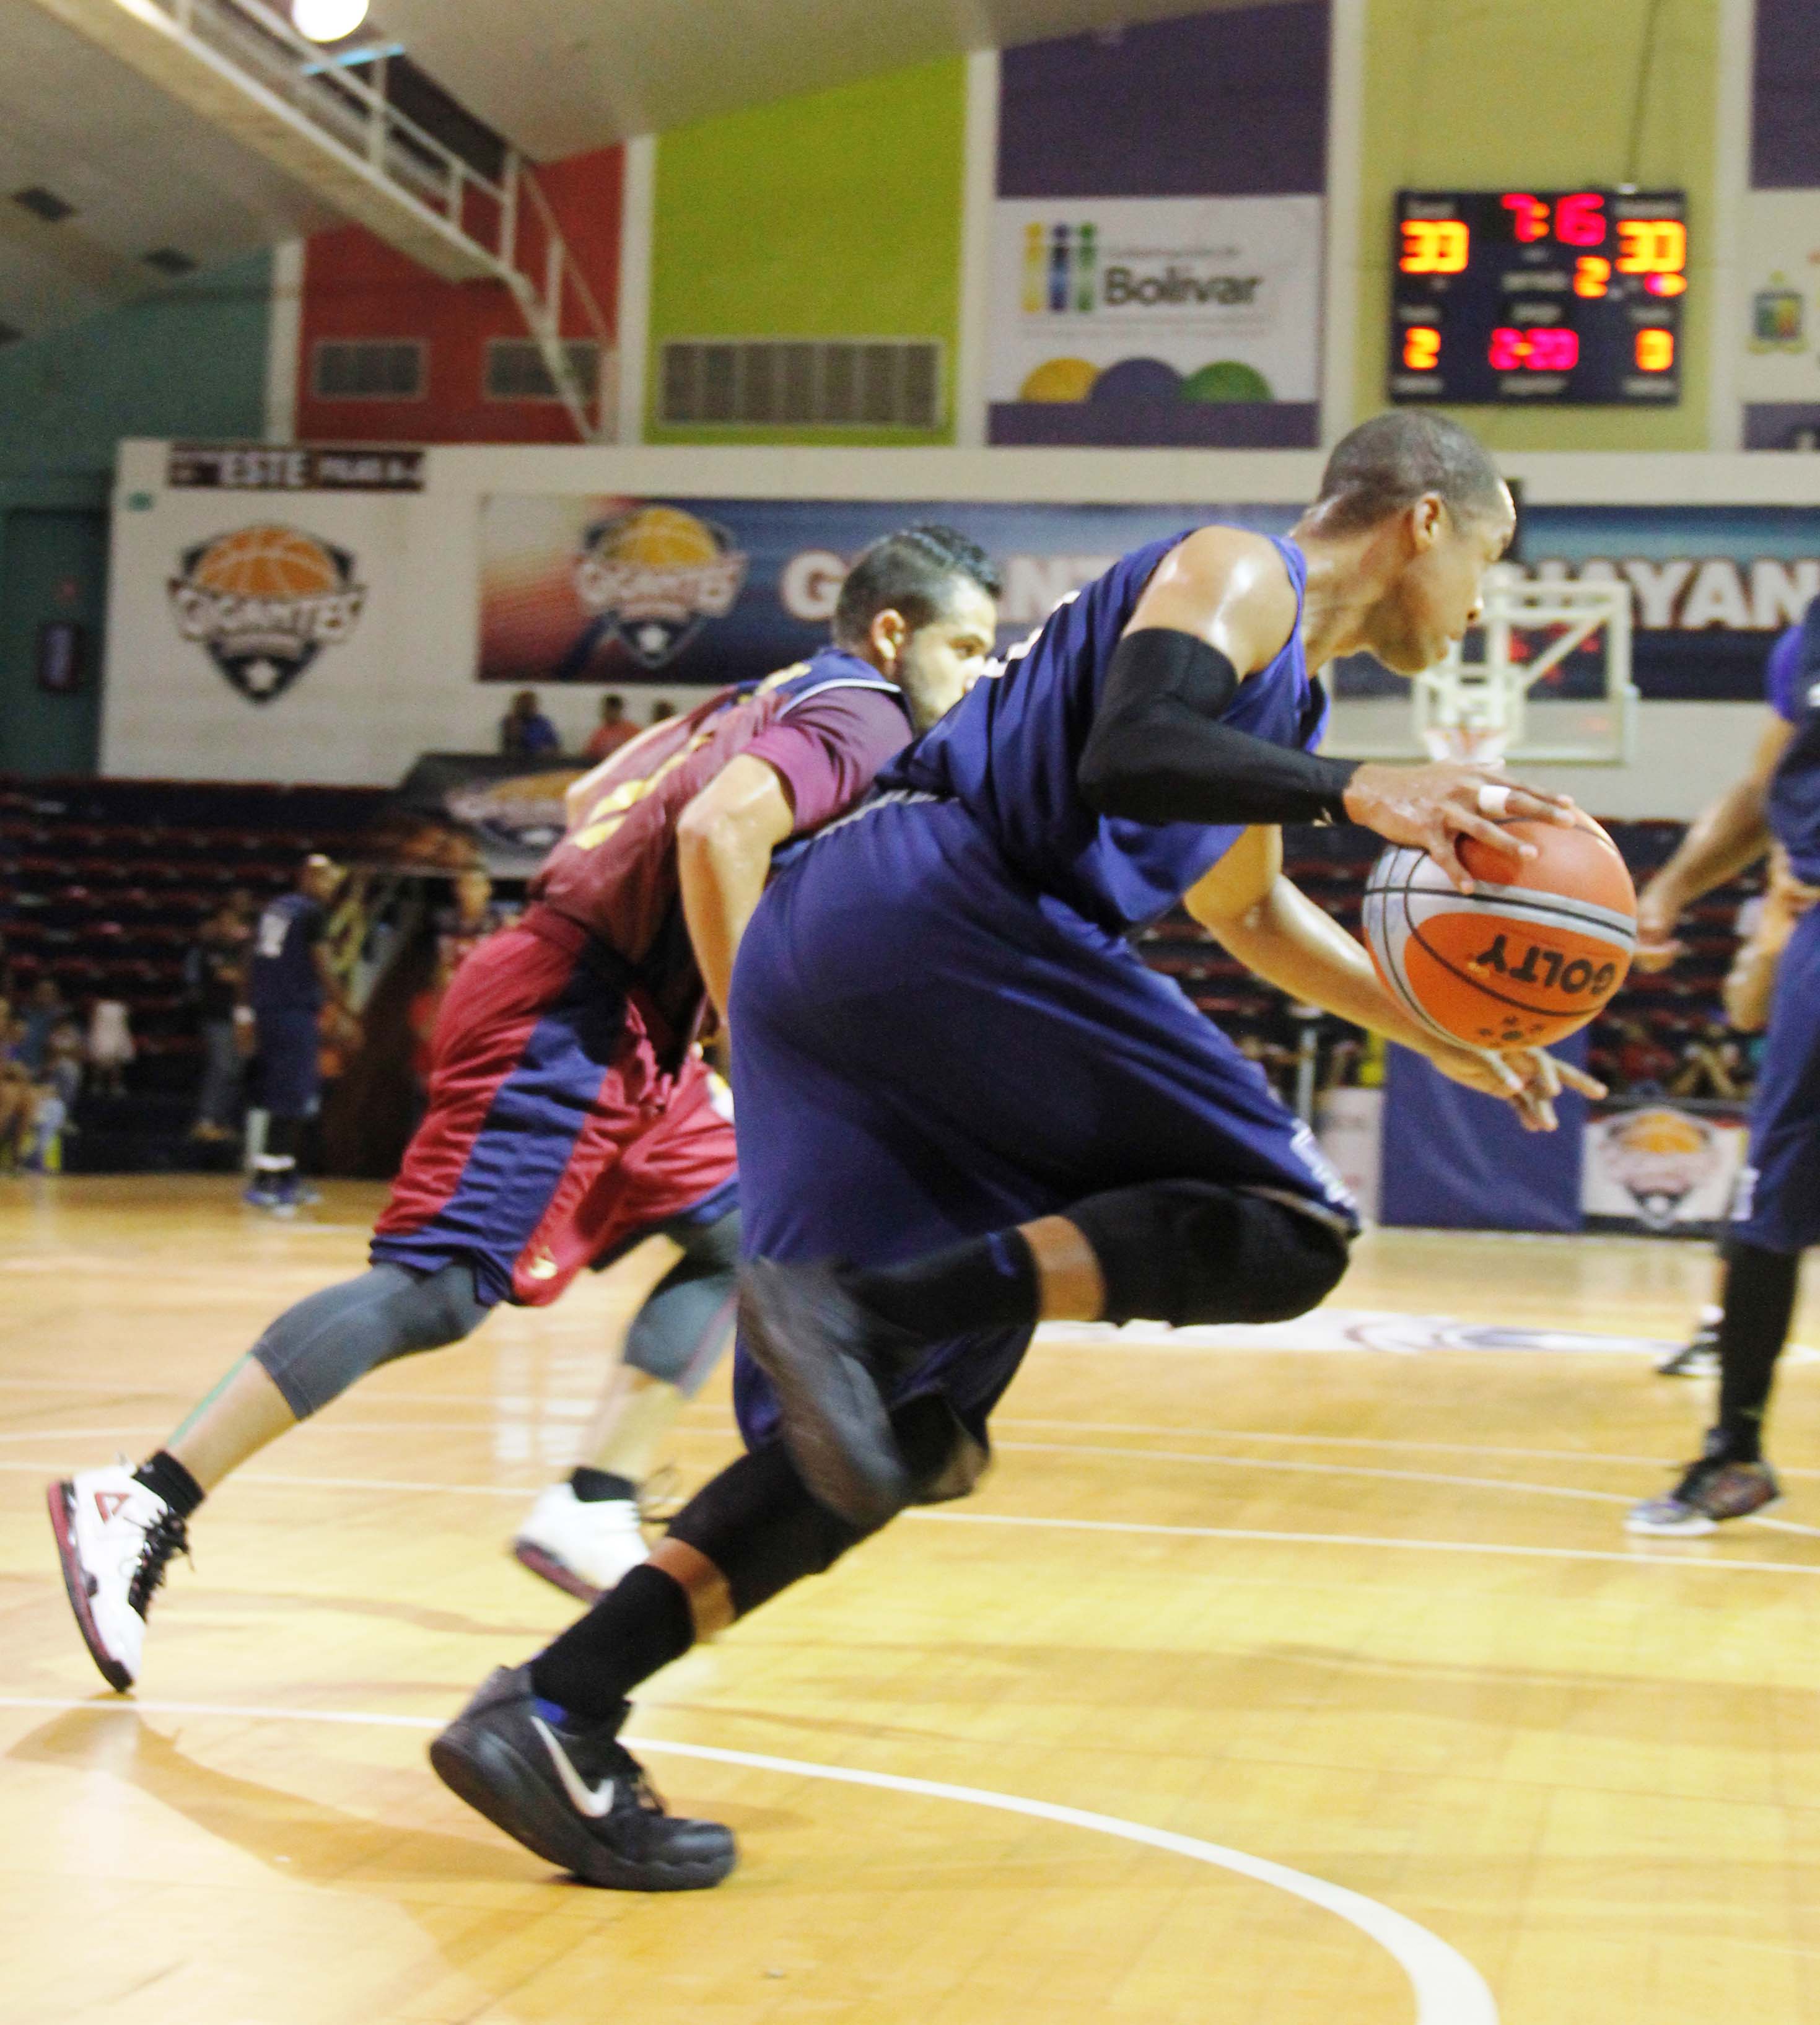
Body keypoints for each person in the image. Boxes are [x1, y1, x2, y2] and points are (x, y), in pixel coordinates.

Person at [429, 413, 1601, 1893]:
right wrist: (1360, 793)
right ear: (1423, 522)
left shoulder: (1279, 705)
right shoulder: (1240, 571)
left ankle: (550, 1712)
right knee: (1286, 1228)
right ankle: (865, 1311)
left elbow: (1247, 916)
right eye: (1491, 559)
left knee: (867, 1445)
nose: (1487, 604)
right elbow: (1132, 749)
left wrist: (1429, 1026)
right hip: (939, 906)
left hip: (854, 956)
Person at [47, 525, 1001, 1701]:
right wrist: (753, 1028)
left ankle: (593, 1499)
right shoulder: (865, 712)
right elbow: (711, 832)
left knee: (740, 1223)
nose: (973, 675)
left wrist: (693, 999)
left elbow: (608, 793)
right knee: (441, 1287)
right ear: (895, 632)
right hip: (572, 1004)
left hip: (620, 1004)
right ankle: (143, 1494)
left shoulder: (762, 692)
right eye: (965, 646)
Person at [1627, 606, 1820, 1524]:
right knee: (1767, 1204)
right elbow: (1761, 786)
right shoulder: (1810, 638)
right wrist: (1668, 887)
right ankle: (1733, 1453)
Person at [240, 855, 351, 1213]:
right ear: (307, 877)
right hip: (294, 1012)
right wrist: (347, 1009)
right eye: (325, 880)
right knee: (289, 1096)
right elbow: (323, 965)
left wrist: (243, 1013)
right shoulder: (312, 913)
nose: (329, 888)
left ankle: (285, 1175)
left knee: (289, 1093)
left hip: (269, 1009)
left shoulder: (276, 909)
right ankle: (266, 1183)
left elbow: (249, 959)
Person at [187, 904, 250, 1142]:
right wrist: (244, 976)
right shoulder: (209, 950)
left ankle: (222, 1121)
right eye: (224, 922)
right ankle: (205, 1119)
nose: (228, 927)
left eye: (232, 922)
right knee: (221, 1066)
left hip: (239, 1018)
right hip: (216, 1017)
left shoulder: (242, 949)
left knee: (236, 1069)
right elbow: (227, 975)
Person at [501, 689, 562, 757]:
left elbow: (555, 744)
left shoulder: (543, 723)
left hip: (544, 760)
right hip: (520, 761)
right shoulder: (511, 722)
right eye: (525, 705)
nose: (528, 708)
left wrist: (550, 750)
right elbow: (511, 748)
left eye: (531, 704)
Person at [584, 694, 640, 764]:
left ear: (619, 710)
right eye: (606, 710)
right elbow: (589, 756)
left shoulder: (632, 731)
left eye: (611, 710)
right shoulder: (600, 733)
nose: (607, 713)